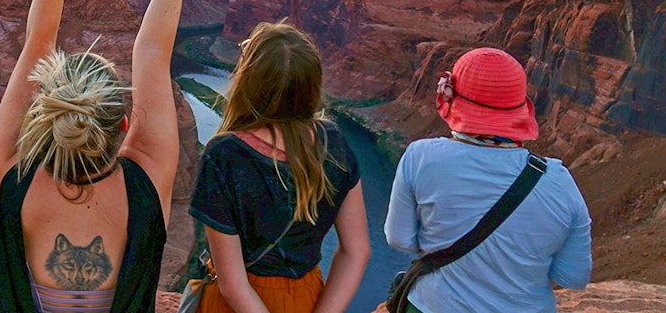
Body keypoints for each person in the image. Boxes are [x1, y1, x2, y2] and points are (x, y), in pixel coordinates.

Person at [0, 0, 189, 312]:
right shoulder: (147, 183)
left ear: (47, 119)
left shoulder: (15, 175)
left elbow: (38, 41)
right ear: (123, 125)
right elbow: (152, 52)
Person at [384, 47, 591, 312]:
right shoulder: (559, 181)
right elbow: (573, 277)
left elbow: (399, 239)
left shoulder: (421, 156)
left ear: (451, 101)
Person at [189, 22, 368, 313]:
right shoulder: (332, 141)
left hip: (239, 305)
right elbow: (357, 251)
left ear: (250, 81)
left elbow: (233, 285)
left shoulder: (225, 154)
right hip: (307, 297)